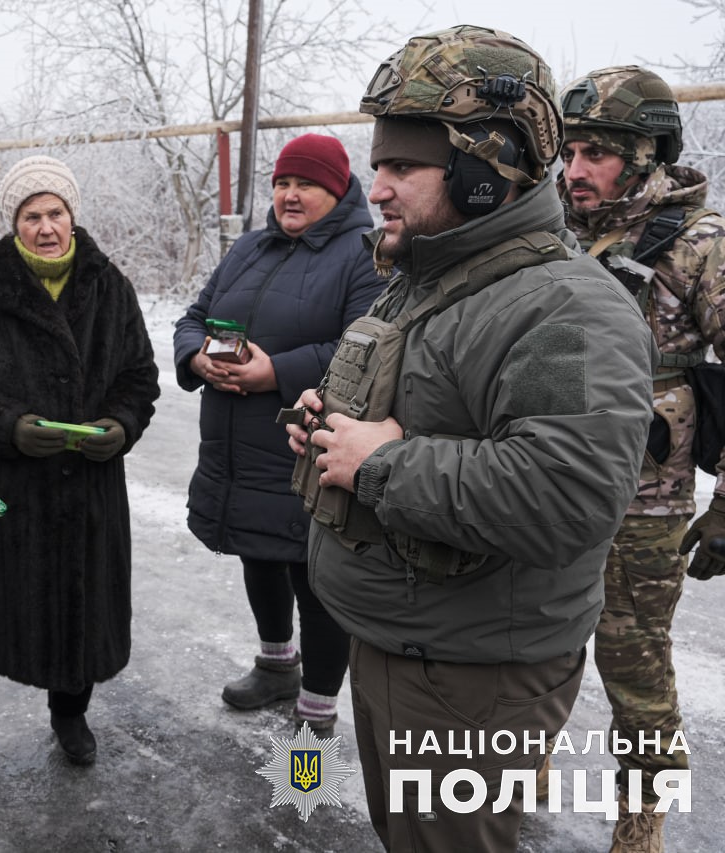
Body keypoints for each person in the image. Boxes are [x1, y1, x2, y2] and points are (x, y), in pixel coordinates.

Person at [284, 26, 655, 852]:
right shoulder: (430, 275)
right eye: (378, 164)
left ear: (486, 170)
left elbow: (567, 494)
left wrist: (380, 461)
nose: (375, 187)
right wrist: (331, 426)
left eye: (402, 167)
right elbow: (419, 406)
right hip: (401, 638)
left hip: (469, 673)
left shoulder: (562, 309)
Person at [0, 155, 160, 789]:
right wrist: (9, 425)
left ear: (73, 217)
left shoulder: (112, 288)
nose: (46, 226)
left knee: (77, 609)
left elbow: (140, 377)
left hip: (87, 487)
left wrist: (121, 426)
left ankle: (71, 717)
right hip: (4, 488)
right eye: (32, 215)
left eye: (56, 212)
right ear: (14, 221)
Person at [556, 65, 725, 852]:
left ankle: (642, 814)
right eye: (569, 151)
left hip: (643, 498)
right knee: (533, 639)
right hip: (545, 479)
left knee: (631, 659)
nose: (574, 170)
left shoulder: (696, 243)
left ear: (648, 154)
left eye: (596, 153)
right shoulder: (554, 234)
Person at [172, 134, 383, 734]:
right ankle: (275, 665)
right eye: (283, 183)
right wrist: (196, 359)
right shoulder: (249, 248)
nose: (290, 195)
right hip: (235, 445)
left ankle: (316, 707)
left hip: (305, 445)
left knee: (313, 575)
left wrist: (276, 373)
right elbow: (194, 317)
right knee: (257, 552)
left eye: (306, 185)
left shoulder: (364, 255)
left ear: (337, 190)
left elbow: (364, 350)